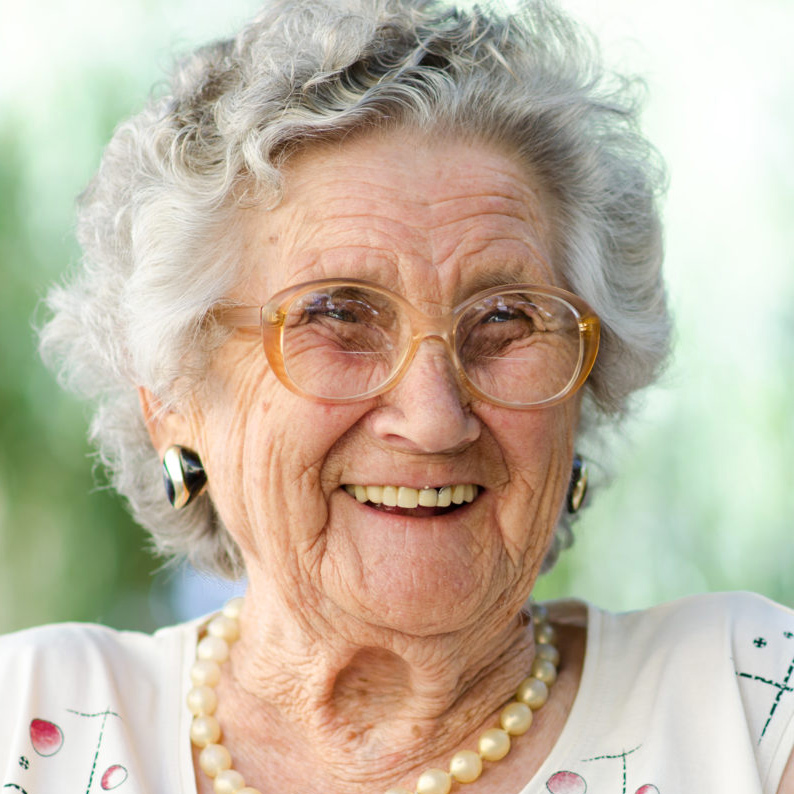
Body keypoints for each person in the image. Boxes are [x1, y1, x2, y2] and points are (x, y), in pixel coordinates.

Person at [2, 0, 793, 791]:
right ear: (173, 396)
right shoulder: (32, 725)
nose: (435, 416)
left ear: (587, 387)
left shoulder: (747, 707)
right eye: (338, 314)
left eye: (507, 319)